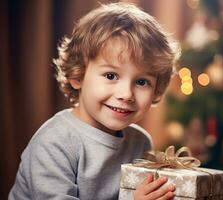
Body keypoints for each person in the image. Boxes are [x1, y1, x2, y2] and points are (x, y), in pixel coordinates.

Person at [9, 2, 180, 200]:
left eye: (142, 82)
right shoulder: (54, 143)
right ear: (78, 75)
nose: (126, 94)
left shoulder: (140, 142)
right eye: (110, 76)